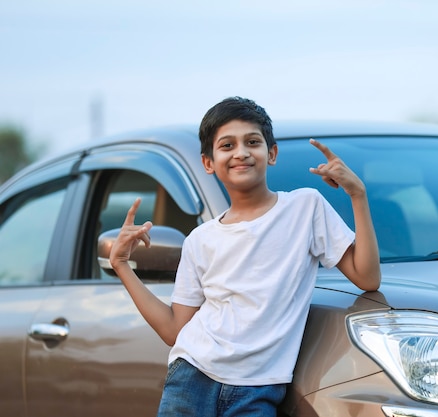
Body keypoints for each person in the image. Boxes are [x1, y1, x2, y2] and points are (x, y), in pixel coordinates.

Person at [109, 96, 381, 416]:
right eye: (227, 145)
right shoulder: (201, 240)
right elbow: (174, 330)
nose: (241, 152)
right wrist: (122, 266)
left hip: (259, 388)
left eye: (252, 142)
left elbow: (367, 277)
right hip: (192, 376)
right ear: (208, 163)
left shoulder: (305, 207)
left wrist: (357, 194)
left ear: (272, 153)